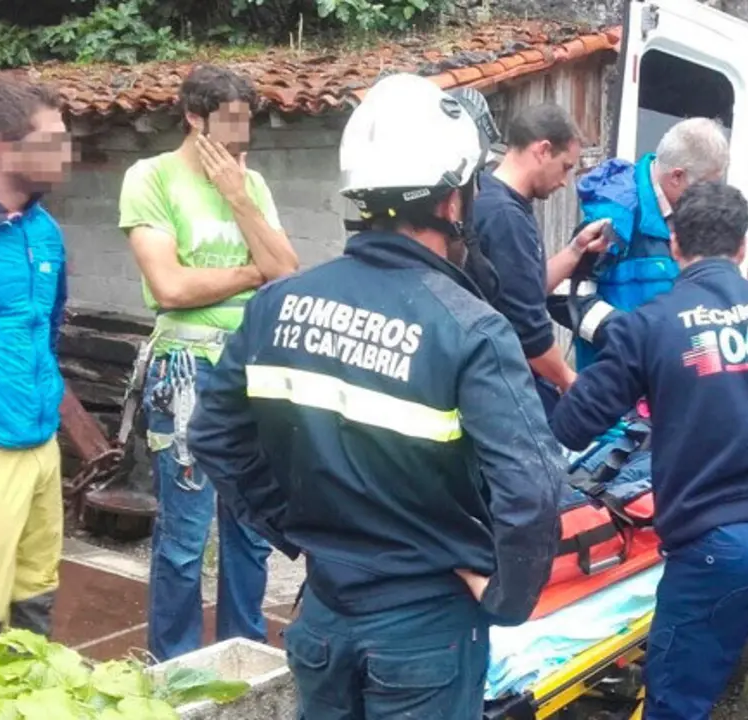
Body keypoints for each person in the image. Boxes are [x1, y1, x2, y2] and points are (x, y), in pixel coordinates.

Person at [187, 73, 566, 718]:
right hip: (426, 632)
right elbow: (532, 489)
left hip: (323, 617)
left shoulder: (278, 304)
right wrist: (505, 598)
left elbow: (214, 437)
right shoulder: (471, 328)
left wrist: (298, 532)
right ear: (453, 203)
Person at [550, 181, 748, 720]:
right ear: (742, 244)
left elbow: (573, 425)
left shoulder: (650, 324)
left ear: (675, 243)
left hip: (711, 547)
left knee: (677, 707)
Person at [119, 64, 300, 662]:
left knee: (252, 527)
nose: (241, 136)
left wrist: (238, 198)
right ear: (194, 118)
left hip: (252, 367)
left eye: (247, 122)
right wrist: (252, 272)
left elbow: (288, 272)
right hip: (186, 371)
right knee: (186, 535)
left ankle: (243, 653)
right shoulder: (151, 178)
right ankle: (172, 665)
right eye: (229, 122)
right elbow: (170, 287)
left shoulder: (253, 183)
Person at [0, 78, 73, 653]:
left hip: (41, 443)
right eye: (53, 140)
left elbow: (49, 327)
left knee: (36, 598)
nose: (68, 151)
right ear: (2, 147)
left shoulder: (45, 232)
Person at [472, 104, 609, 414]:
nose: (564, 182)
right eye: (565, 167)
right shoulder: (504, 216)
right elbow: (527, 326)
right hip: (499, 383)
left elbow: (526, 289)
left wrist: (576, 250)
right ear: (543, 150)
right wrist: (569, 380)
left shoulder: (503, 200)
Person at [563, 116, 731, 370]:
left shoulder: (695, 212)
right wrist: (632, 337)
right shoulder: (614, 216)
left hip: (672, 375)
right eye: (706, 186)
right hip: (616, 378)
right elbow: (565, 293)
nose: (710, 197)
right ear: (677, 176)